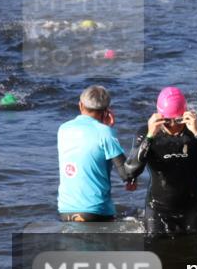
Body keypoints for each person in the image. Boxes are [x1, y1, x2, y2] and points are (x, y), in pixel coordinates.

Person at [125, 86, 197, 236]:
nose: (173, 125)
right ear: (159, 115)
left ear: (186, 114)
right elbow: (130, 171)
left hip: (192, 208)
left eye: (178, 120)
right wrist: (149, 138)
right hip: (157, 208)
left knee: (195, 255)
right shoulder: (146, 133)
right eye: (167, 121)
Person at [57, 85, 137, 222]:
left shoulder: (63, 129)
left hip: (65, 210)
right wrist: (131, 181)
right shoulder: (105, 132)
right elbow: (126, 172)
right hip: (96, 211)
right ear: (106, 111)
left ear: (80, 105)